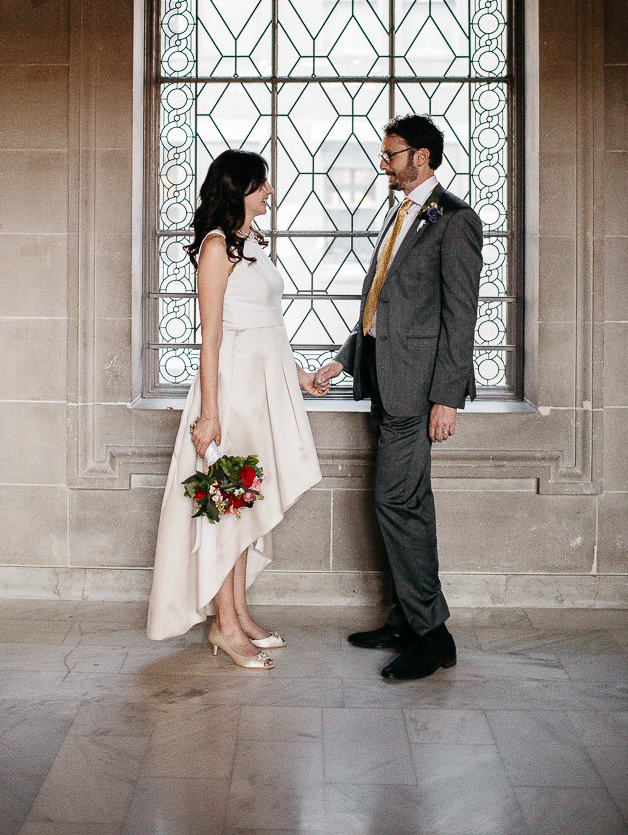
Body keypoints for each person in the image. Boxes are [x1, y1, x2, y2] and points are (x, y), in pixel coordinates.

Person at [315, 114, 482, 681]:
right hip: (385, 379)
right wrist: (344, 359)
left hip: (418, 389)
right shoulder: (402, 214)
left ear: (423, 156)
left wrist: (447, 397)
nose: (382, 164)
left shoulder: (454, 220)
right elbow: (378, 304)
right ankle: (406, 620)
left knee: (398, 502)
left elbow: (461, 318)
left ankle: (432, 636)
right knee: (407, 501)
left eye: (391, 155)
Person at [147, 149, 325, 668]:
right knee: (227, 507)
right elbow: (211, 339)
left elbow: (272, 330)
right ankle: (225, 627)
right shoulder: (216, 247)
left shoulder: (253, 246)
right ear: (239, 189)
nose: (270, 190)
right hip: (232, 395)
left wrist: (301, 377)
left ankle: (241, 613)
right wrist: (209, 414)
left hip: (264, 391)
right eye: (262, 184)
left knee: (245, 505)